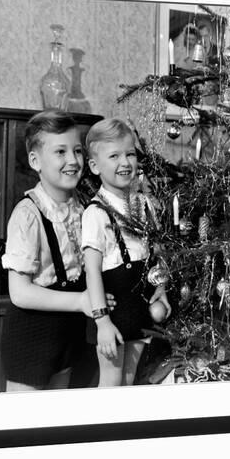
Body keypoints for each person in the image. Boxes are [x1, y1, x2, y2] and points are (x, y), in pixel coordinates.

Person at [0, 109, 115, 392]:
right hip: (32, 336)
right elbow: (20, 292)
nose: (73, 161)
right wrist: (81, 302)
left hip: (68, 334)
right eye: (60, 152)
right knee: (26, 427)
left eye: (77, 150)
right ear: (35, 161)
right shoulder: (28, 214)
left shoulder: (85, 208)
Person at [82, 118, 171, 387]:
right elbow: (93, 273)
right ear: (95, 166)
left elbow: (157, 251)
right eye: (114, 156)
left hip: (140, 306)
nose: (125, 163)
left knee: (130, 381)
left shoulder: (144, 204)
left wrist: (162, 288)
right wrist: (102, 322)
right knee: (111, 382)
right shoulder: (96, 213)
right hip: (113, 311)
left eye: (130, 153)